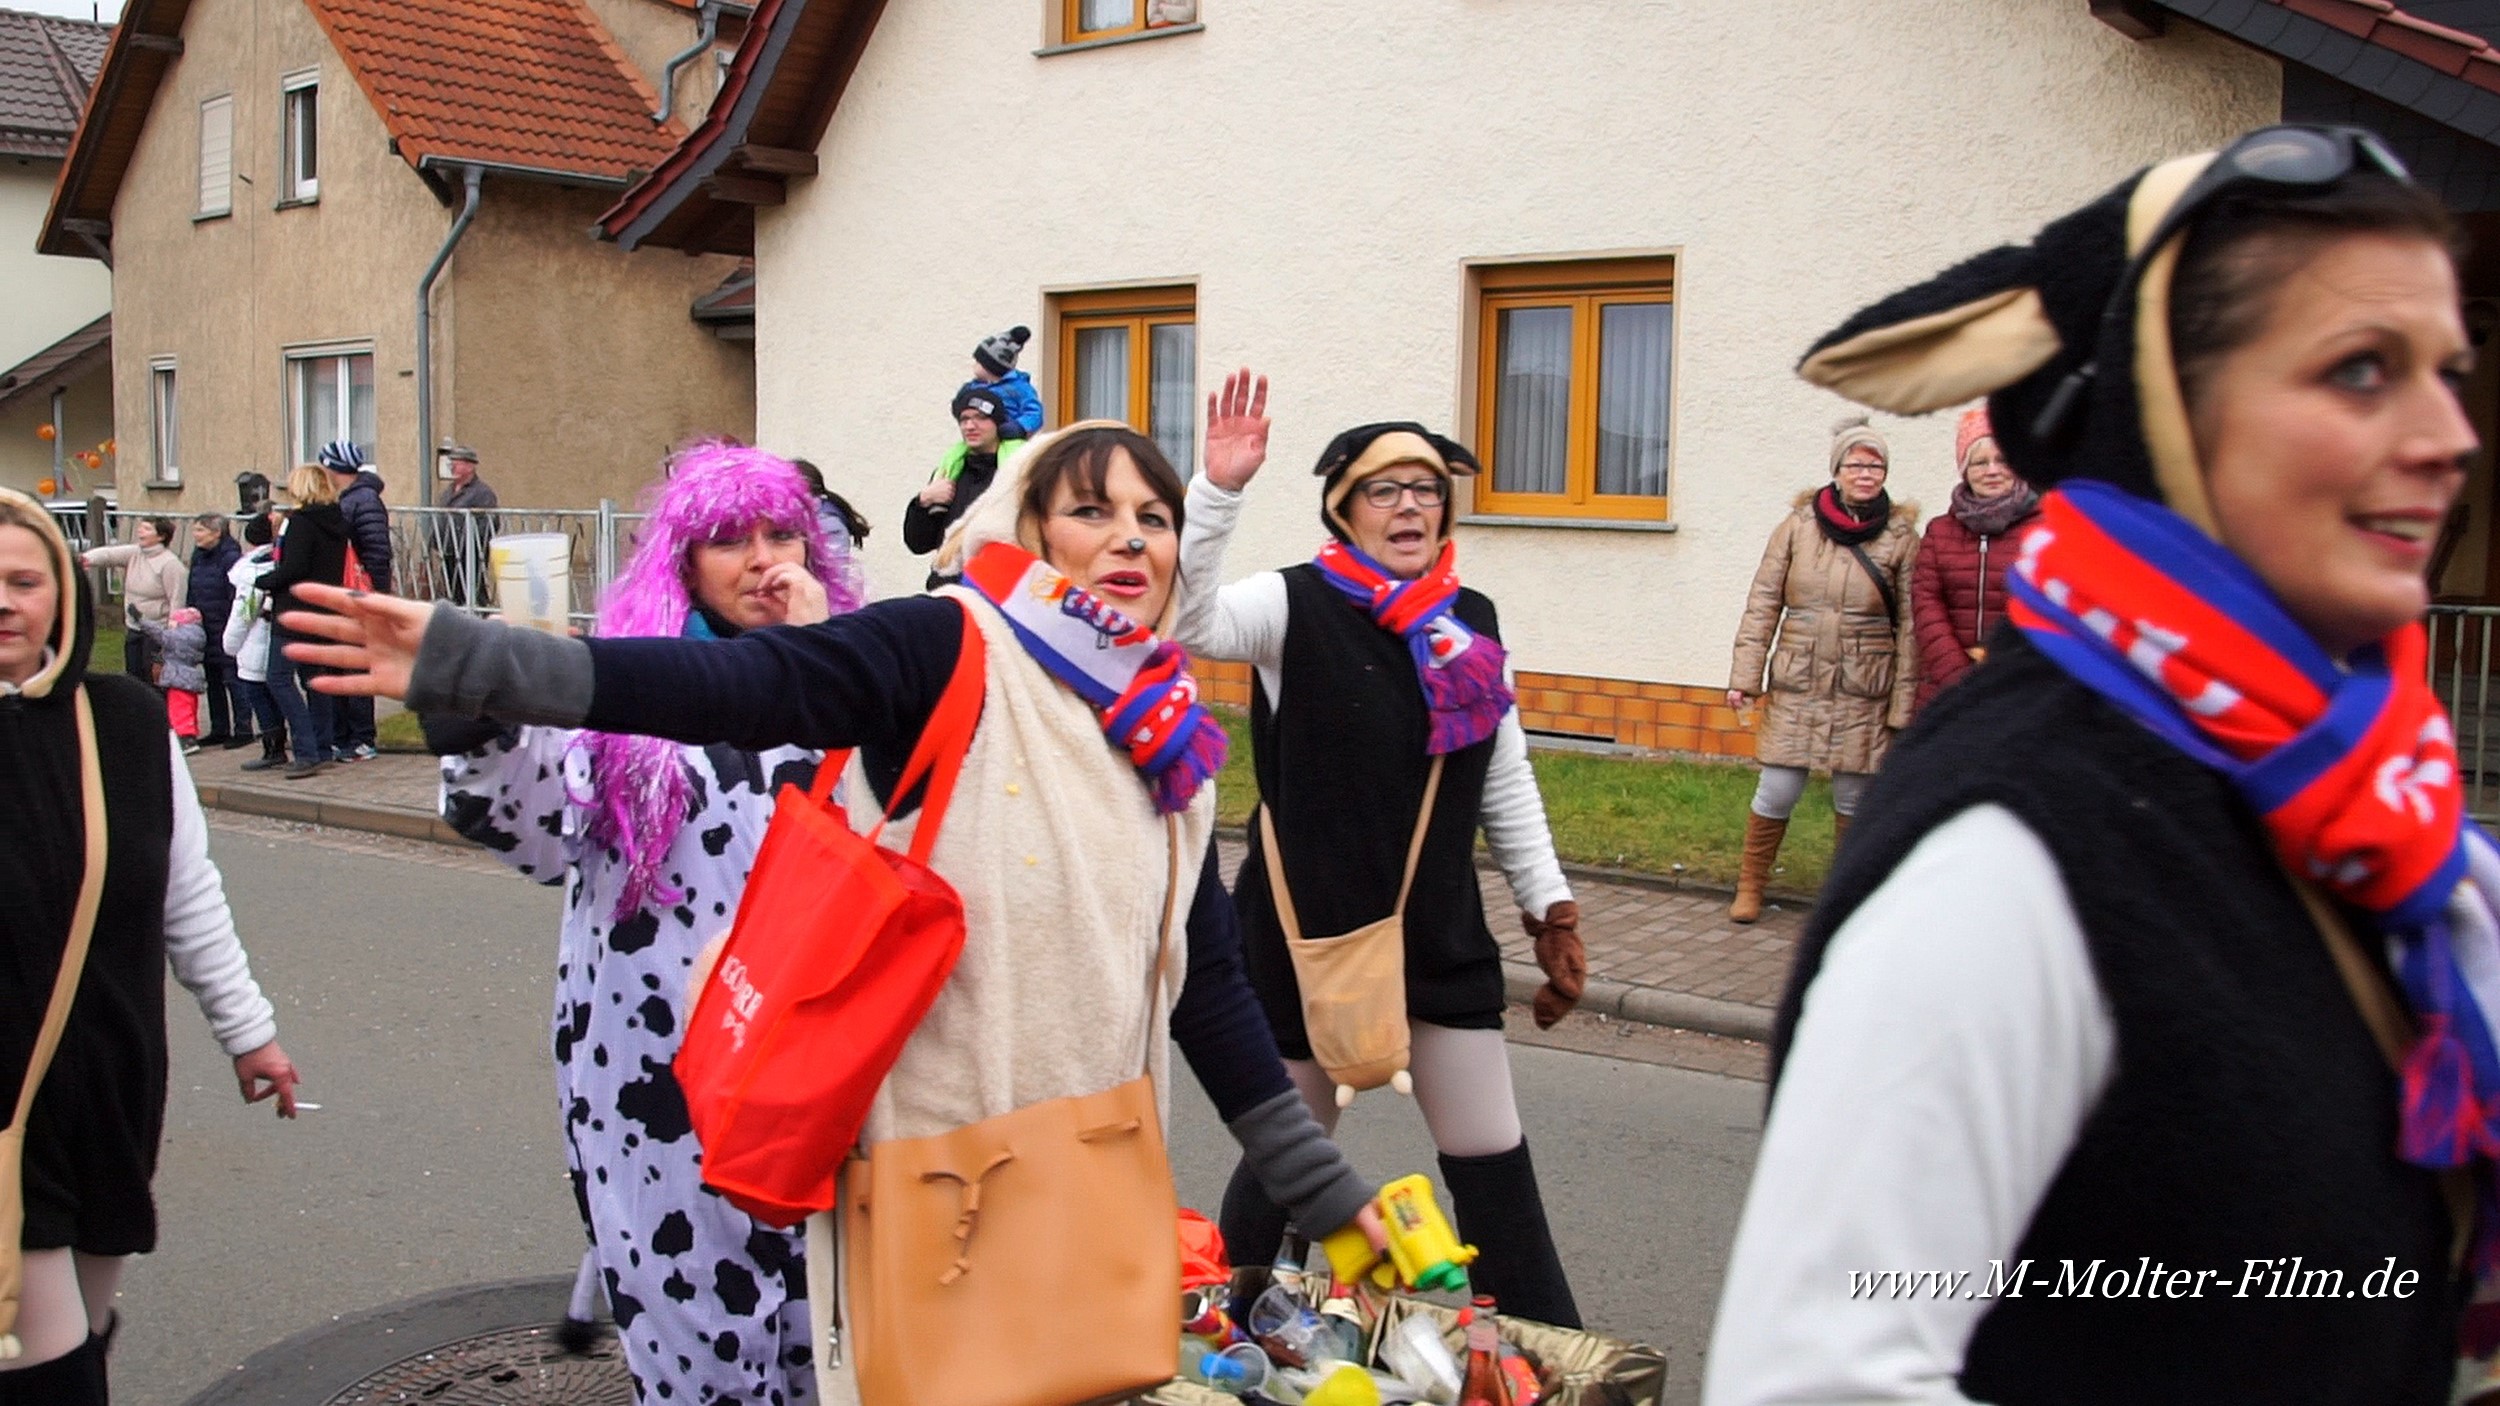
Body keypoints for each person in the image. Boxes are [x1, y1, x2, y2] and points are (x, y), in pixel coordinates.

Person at [283, 422, 1385, 1404]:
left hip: (1071, 1164)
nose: (1132, 537)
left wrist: (1323, 1193)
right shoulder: (947, 643)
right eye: (1090, 508)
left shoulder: (1163, 731)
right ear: (1028, 529)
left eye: (1155, 515)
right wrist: (472, 661)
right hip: (886, 1152)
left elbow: (1206, 982)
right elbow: (742, 686)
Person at [1706, 126, 2485, 1404]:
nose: (2448, 434)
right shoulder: (2011, 851)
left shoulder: (2356, 788)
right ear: (2169, 414)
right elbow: (1814, 1379)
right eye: (2360, 370)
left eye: (2452, 371)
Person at [419, 443, 857, 1403]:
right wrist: (479, 730)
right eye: (729, 540)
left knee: (830, 1337)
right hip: (658, 1082)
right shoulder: (626, 685)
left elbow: (904, 838)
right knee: (697, 1339)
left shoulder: (863, 682)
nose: (762, 559)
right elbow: (535, 835)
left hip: (828, 1072)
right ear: (683, 561)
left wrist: (834, 669)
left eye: (782, 532)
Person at [1175, 373, 1587, 1327]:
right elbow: (1189, 623)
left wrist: (1550, 906)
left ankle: (1559, 1359)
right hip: (1307, 930)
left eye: (1427, 489)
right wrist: (1219, 491)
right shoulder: (1292, 606)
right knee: (1289, 1161)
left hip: (1434, 932)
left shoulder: (1471, 622)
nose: (1410, 506)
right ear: (1344, 509)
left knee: (1493, 1161)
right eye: (1385, 490)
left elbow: (1503, 774)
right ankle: (1214, 1338)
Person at [0, 488, 300, 1406]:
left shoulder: (121, 722)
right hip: (8, 1099)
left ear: (60, 592)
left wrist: (250, 1033)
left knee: (84, 1335)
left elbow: (186, 893)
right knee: (41, 1361)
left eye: (23, 580)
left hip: (112, 1081)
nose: (5, 600)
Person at [1721, 416, 1917, 923]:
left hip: (1864, 684)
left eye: (1876, 465)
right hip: (1798, 679)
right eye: (1856, 463)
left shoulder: (1900, 537)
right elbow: (1763, 602)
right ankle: (1750, 886)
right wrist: (1746, 677)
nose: (1866, 473)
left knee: (1854, 794)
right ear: (1837, 469)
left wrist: (1903, 702)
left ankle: (1843, 896)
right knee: (1779, 787)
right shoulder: (1796, 528)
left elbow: (1912, 624)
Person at [1909, 406, 2041, 715]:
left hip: (2019, 685)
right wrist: (1957, 672)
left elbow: (2049, 604)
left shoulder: (2044, 528)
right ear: (1965, 470)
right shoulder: (1940, 531)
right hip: (1946, 686)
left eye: (2002, 460)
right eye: (1979, 462)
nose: (1991, 471)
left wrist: (2005, 664)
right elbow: (1926, 601)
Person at [261, 465, 351, 780]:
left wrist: (265, 580)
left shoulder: (300, 524)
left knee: (279, 678)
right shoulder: (337, 522)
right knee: (315, 680)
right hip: (323, 608)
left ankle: (306, 749)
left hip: (294, 610)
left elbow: (295, 567)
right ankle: (323, 747)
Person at [902, 388, 1027, 581]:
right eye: (964, 419)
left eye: (980, 418)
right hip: (948, 587)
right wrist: (922, 501)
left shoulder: (1019, 473)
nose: (970, 425)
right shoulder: (949, 472)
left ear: (998, 424)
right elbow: (918, 544)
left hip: (1000, 587)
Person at [319, 441, 390, 761]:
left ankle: (362, 737)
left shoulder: (364, 500)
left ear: (335, 467)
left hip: (359, 594)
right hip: (342, 593)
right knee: (337, 662)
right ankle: (341, 736)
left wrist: (375, 597)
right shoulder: (346, 499)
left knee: (356, 664)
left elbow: (377, 550)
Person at [82, 517, 186, 689]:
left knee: (153, 681)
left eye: (146, 529)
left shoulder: (171, 565)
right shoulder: (135, 553)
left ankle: (157, 713)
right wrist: (84, 559)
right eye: (140, 527)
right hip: (134, 628)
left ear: (161, 536)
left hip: (157, 632)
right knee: (133, 677)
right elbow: (109, 554)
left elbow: (177, 603)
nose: (140, 531)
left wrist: (169, 640)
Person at [222, 514, 287, 772]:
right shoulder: (277, 560)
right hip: (270, 635)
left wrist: (229, 644)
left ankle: (273, 747)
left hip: (255, 639)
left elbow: (243, 613)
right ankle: (276, 744)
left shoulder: (251, 570)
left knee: (259, 695)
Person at [183, 515, 247, 749]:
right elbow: (192, 587)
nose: (196, 535)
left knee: (233, 678)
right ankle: (219, 727)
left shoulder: (230, 557)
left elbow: (234, 592)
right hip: (205, 625)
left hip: (225, 624)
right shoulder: (199, 556)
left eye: (200, 530)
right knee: (213, 679)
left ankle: (243, 728)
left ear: (216, 532)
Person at [436, 442, 499, 607]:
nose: (452, 467)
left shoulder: (483, 493)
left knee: (473, 595)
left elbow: (490, 524)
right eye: (451, 463)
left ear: (470, 466)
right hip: (448, 553)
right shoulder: (449, 491)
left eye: (456, 463)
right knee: (452, 595)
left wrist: (466, 540)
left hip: (469, 555)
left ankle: (480, 623)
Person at [139, 608, 207, 754]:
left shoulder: (178, 637)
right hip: (190, 678)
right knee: (190, 709)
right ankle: (191, 734)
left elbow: (159, 633)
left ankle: (185, 738)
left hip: (178, 679)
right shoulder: (197, 635)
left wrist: (141, 620)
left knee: (179, 710)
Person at [961, 324, 1044, 440]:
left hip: (1009, 438)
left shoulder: (1018, 387)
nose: (974, 366)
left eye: (978, 362)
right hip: (980, 438)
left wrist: (1019, 427)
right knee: (955, 455)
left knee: (1009, 457)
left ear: (992, 367)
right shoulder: (973, 387)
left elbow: (1034, 413)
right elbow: (960, 407)